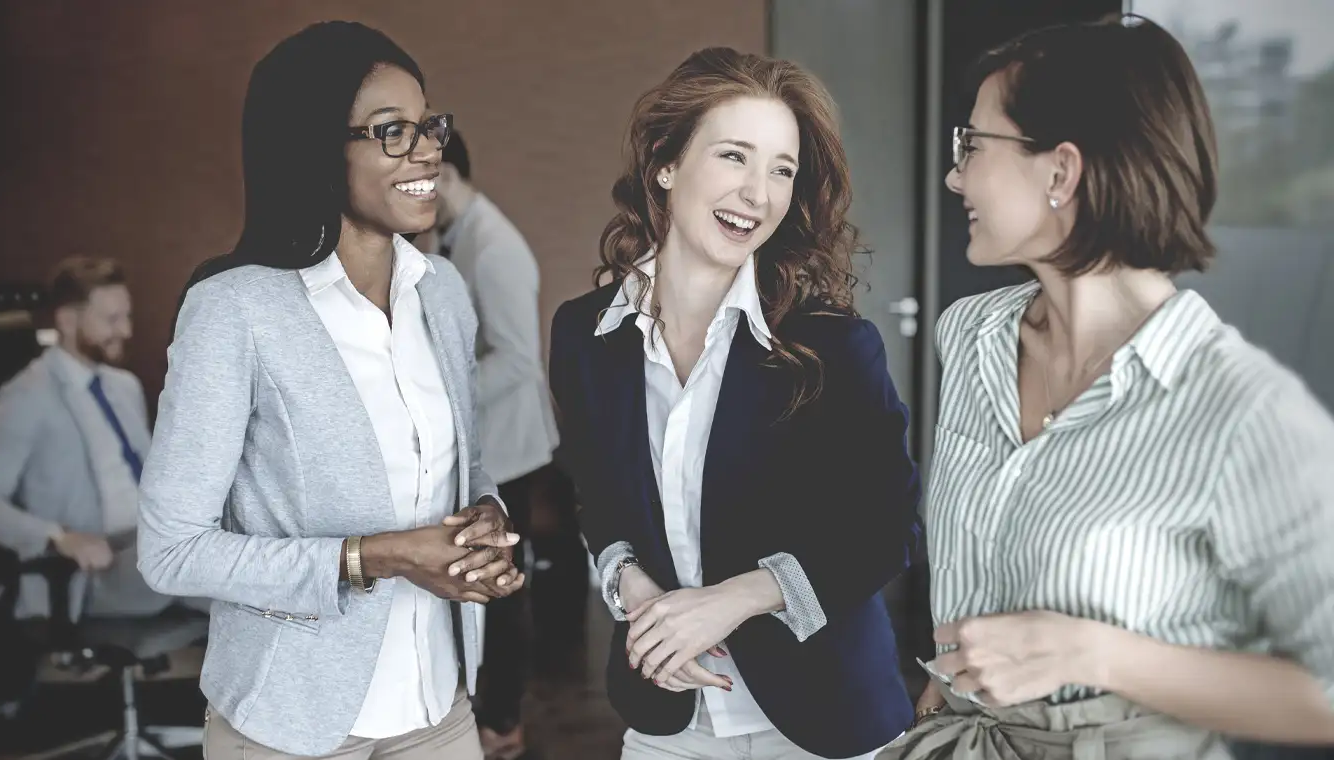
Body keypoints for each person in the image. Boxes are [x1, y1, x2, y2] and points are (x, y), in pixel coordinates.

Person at [881, 14, 1334, 760]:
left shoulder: (1242, 407)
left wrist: (1094, 654)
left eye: (973, 145)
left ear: (1061, 171)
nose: (954, 175)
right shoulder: (969, 338)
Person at [137, 22, 525, 760]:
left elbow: (468, 469)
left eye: (427, 126)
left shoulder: (441, 292)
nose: (427, 151)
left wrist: (486, 518)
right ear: (314, 148)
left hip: (437, 703)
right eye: (391, 132)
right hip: (292, 723)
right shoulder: (236, 309)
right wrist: (376, 557)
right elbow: (172, 551)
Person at [548, 47, 923, 760]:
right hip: (667, 719)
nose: (759, 193)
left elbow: (887, 526)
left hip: (824, 722)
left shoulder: (832, 344)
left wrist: (737, 597)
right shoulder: (584, 335)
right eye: (734, 157)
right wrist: (633, 589)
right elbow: (596, 500)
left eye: (782, 169)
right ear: (666, 162)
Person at [0, 256, 192, 620]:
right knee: (214, 570)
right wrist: (59, 537)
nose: (127, 331)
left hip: (148, 545)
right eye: (112, 319)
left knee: (254, 585)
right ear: (67, 321)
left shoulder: (123, 387)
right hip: (92, 570)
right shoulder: (25, 397)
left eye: (126, 316)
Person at [433, 129, 560, 760]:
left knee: (504, 591)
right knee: (492, 587)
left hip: (509, 447)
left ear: (449, 171)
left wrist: (435, 395)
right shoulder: (461, 239)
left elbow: (517, 361)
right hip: (494, 445)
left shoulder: (493, 247)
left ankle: (503, 722)